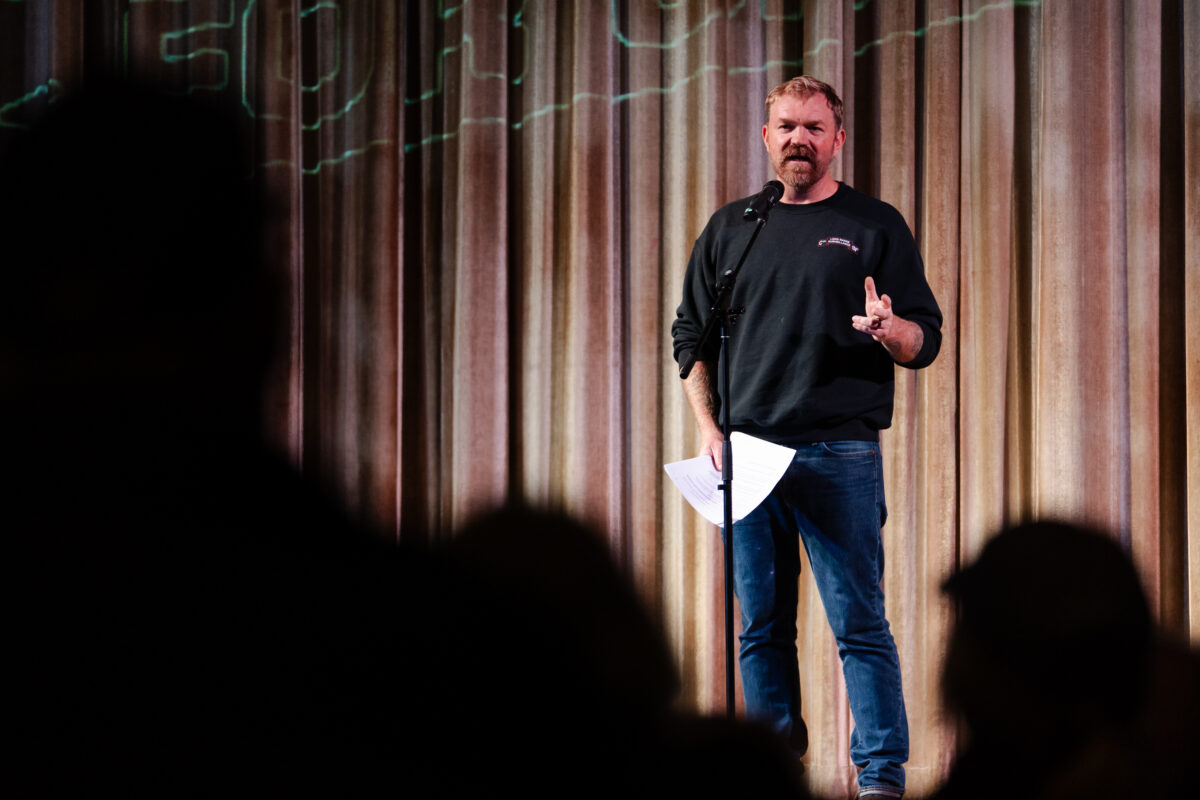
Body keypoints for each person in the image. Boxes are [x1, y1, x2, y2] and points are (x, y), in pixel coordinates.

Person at [670, 76, 943, 799]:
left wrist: (891, 329)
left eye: (814, 128)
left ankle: (880, 778)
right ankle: (772, 774)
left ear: (837, 140)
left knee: (859, 623)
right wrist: (709, 429)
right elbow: (690, 336)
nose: (800, 140)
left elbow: (925, 340)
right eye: (787, 127)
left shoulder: (873, 224)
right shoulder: (734, 227)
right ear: (767, 137)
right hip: (747, 456)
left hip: (838, 452)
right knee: (761, 628)